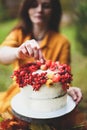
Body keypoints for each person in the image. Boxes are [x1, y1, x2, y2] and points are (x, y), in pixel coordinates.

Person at [0, 0, 82, 114]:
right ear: (27, 9)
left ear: (53, 10)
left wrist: (69, 89)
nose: (39, 10)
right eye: (34, 5)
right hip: (20, 95)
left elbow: (64, 77)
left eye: (46, 6)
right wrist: (17, 52)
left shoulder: (62, 42)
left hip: (50, 103)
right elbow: (1, 54)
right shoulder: (19, 34)